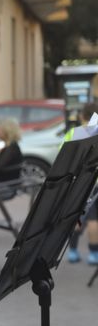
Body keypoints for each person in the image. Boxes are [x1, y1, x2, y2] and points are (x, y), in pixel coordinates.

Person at [65, 101, 98, 263]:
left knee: (78, 216)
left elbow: (63, 160)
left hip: (80, 182)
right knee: (94, 218)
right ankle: (93, 254)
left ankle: (72, 251)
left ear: (81, 116)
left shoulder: (74, 133)